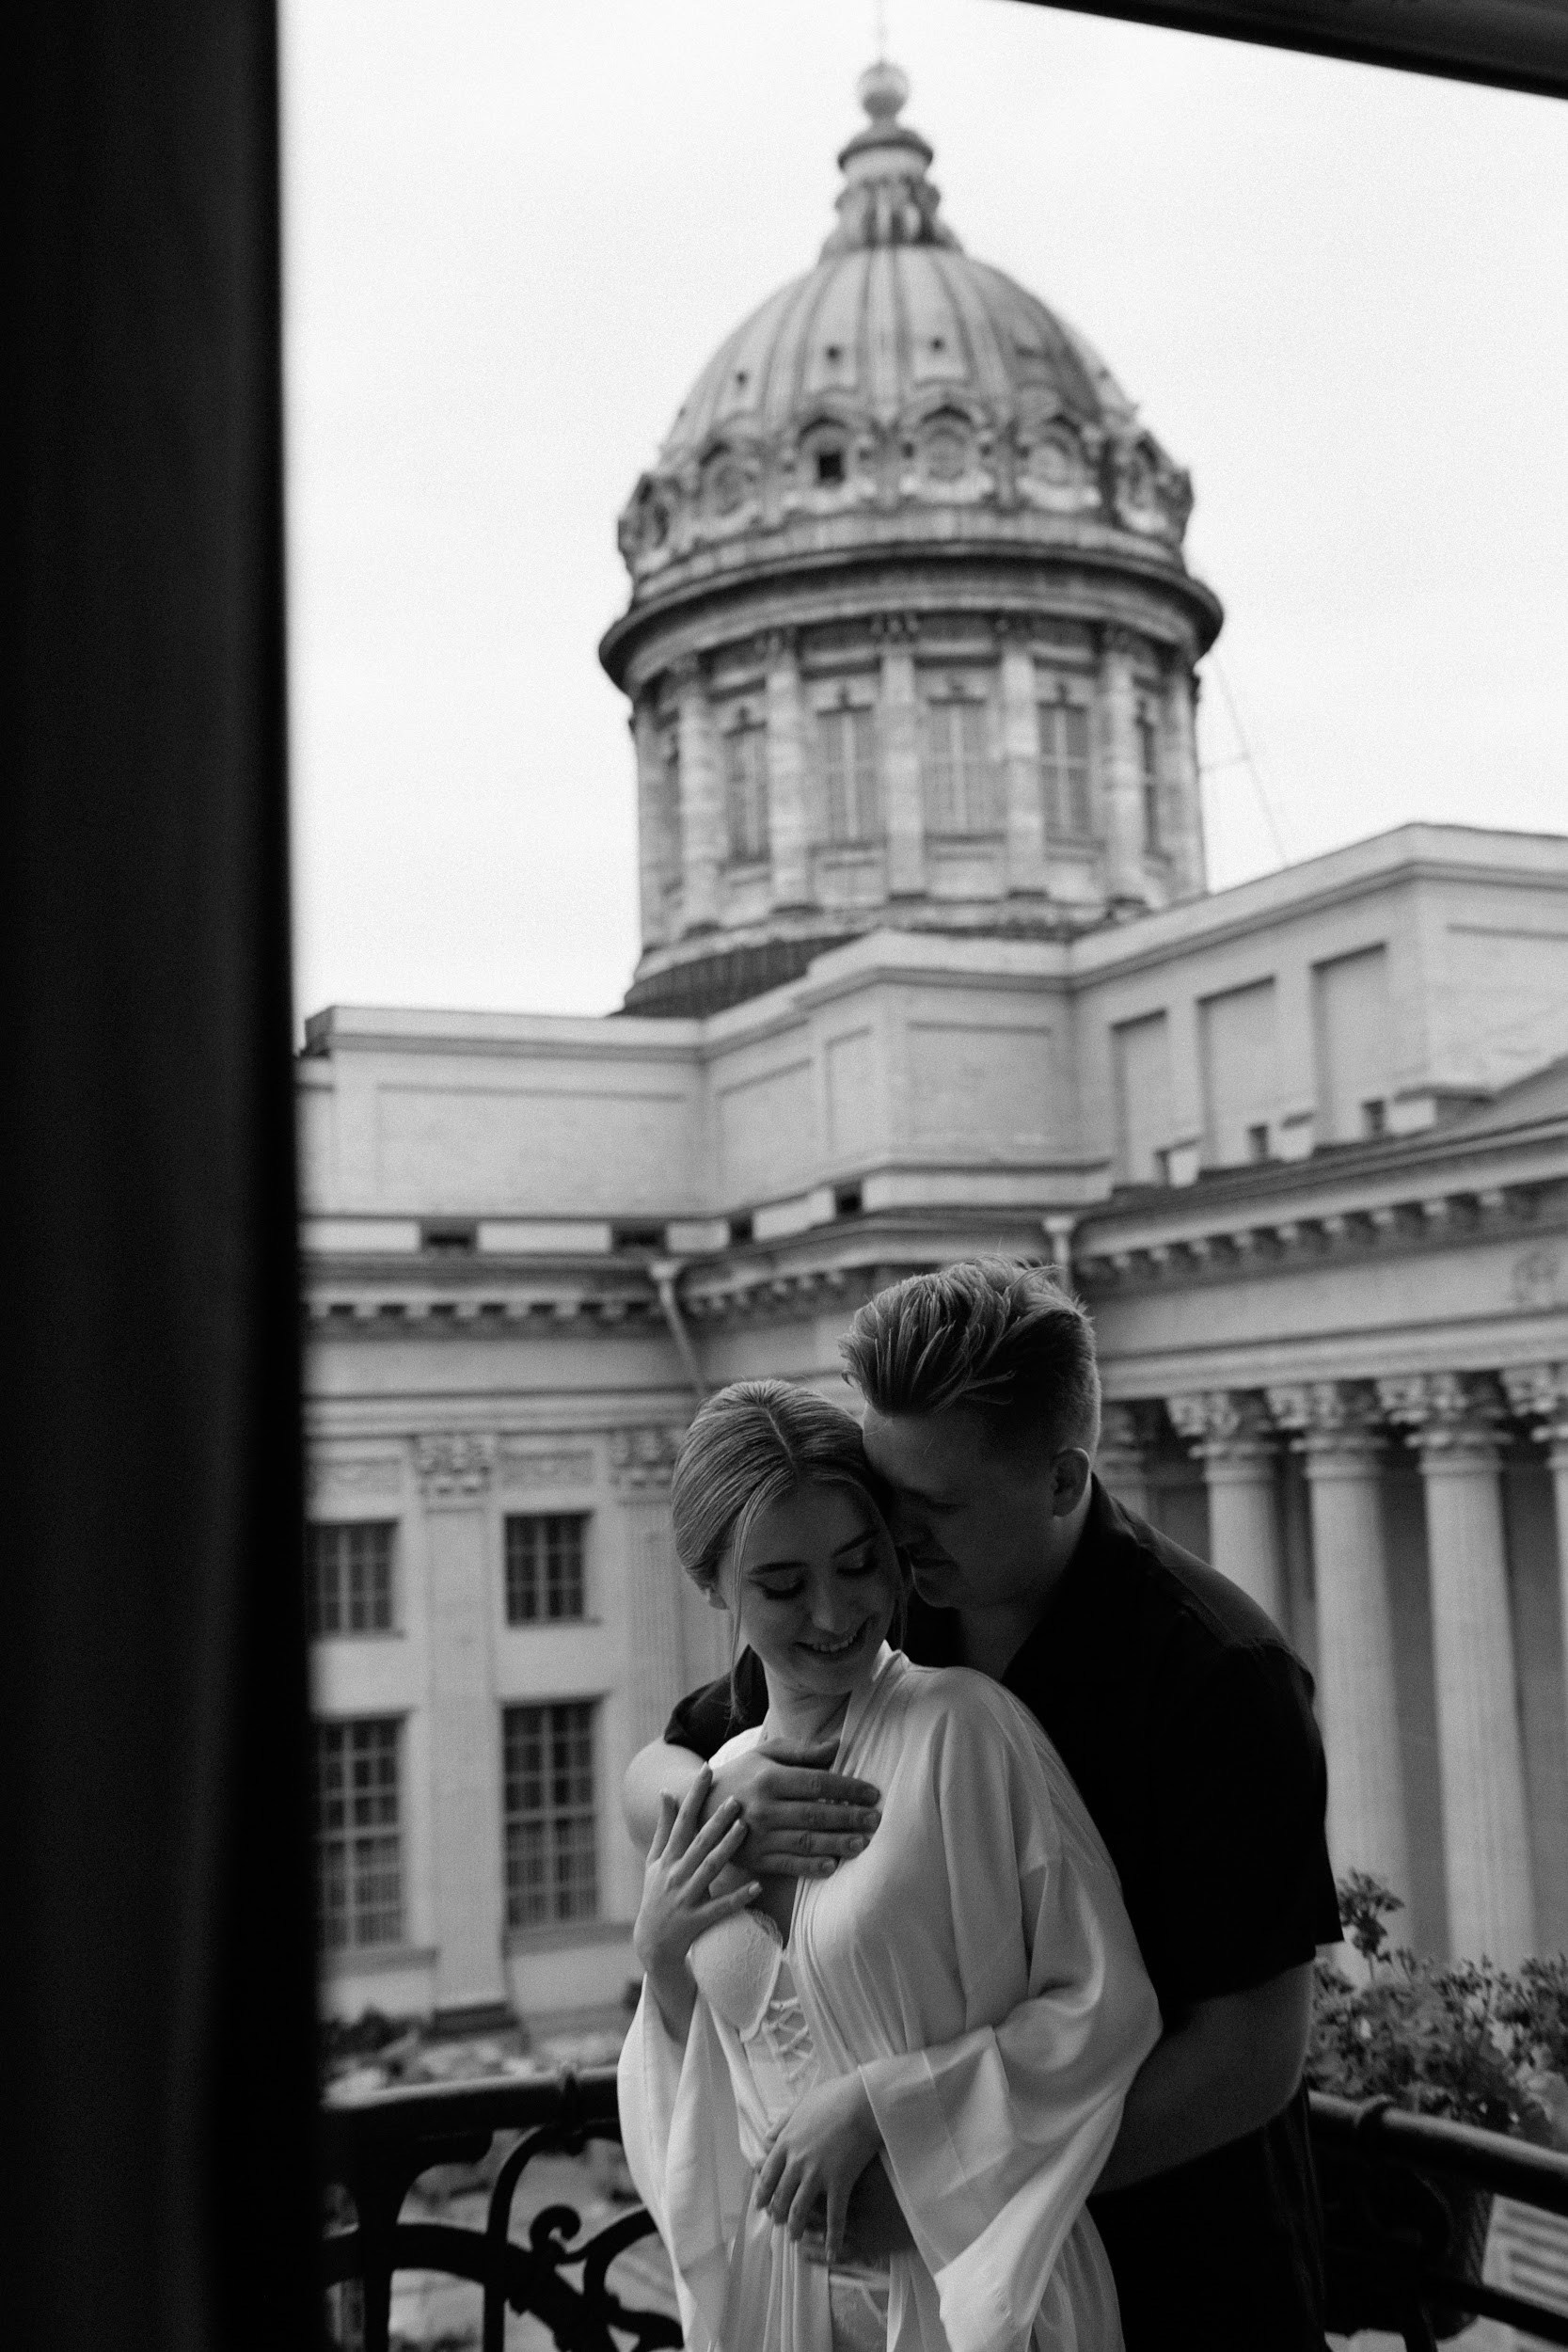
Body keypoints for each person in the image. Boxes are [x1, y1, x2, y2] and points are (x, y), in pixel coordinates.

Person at [624, 1261, 1343, 2352]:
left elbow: (1247, 2058)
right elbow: (661, 1763)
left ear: (1060, 1480)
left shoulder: (1218, 1674)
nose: (895, 1536)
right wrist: (717, 1807)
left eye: (934, 1506)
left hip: (1181, 2273)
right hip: (894, 2285)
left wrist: (942, 2185)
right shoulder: (891, 1601)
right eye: (887, 1494)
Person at [618, 1379, 1162, 2352]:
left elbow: (1103, 2006)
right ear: (712, 1587)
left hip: (968, 2283)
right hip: (782, 2302)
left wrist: (885, 2105)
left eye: (859, 1563)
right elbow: (696, 2096)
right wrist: (660, 1960)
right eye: (781, 1586)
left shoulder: (965, 1731)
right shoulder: (719, 1781)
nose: (833, 1612)